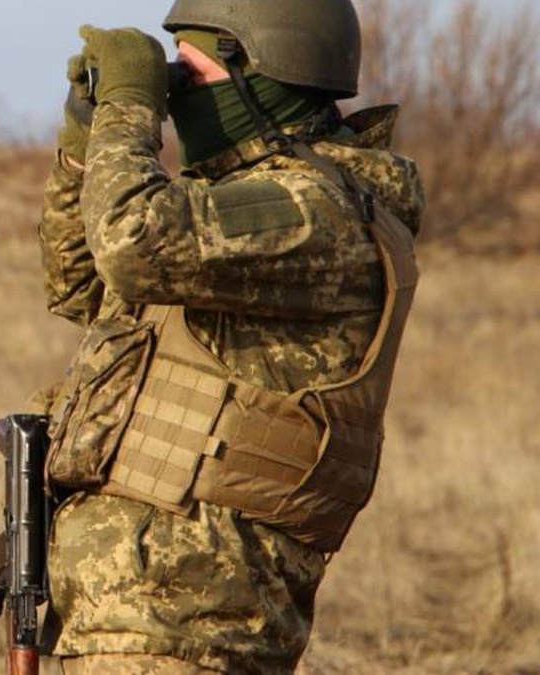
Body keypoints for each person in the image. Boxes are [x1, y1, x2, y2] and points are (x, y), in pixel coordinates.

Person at [36, 0, 424, 672]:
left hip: (189, 621)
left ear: (265, 73)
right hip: (128, 617)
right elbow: (84, 288)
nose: (175, 95)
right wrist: (83, 142)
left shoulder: (315, 211)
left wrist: (128, 107)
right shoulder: (233, 212)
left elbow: (130, 244)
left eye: (189, 75)